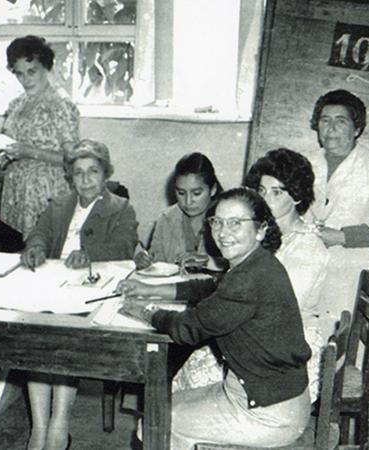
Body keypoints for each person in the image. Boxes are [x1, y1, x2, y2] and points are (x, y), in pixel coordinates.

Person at [118, 187, 311, 449]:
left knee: (160, 418)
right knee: (164, 407)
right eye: (217, 222)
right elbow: (208, 287)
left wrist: (146, 311)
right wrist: (149, 289)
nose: (222, 232)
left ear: (260, 229)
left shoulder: (248, 279)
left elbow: (188, 329)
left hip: (269, 413)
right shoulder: (255, 263)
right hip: (265, 393)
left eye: (235, 223)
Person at [21, 139, 138, 450]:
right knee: (35, 337)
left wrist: (90, 253)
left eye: (93, 172)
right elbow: (40, 233)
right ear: (69, 177)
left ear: (106, 174)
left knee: (61, 342)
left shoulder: (121, 208)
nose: (85, 179)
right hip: (53, 284)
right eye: (78, 173)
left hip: (91, 290)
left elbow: (125, 246)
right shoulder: (58, 205)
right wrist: (35, 247)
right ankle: (39, 426)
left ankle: (59, 423)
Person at [302, 89, 369, 330]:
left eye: (340, 121)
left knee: (340, 338)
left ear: (356, 129)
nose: (330, 127)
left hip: (350, 270)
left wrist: (341, 236)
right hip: (306, 262)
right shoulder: (305, 162)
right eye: (325, 120)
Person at [243, 148, 329, 400]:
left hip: (288, 346)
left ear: (297, 196)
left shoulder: (308, 247)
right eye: (261, 190)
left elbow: (284, 307)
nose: (265, 199)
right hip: (258, 332)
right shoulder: (263, 233)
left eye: (277, 192)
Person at [0, 35, 80, 238]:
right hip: (15, 193)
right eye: (19, 74)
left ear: (46, 67)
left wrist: (29, 152)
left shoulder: (60, 105)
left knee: (41, 251)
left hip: (46, 192)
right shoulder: (17, 104)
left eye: (32, 71)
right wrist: (3, 158)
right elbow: (9, 143)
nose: (25, 79)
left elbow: (73, 158)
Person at [134, 152, 222, 271]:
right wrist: (144, 262)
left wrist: (208, 261)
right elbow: (156, 266)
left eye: (196, 193)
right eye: (181, 193)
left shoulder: (226, 220)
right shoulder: (166, 219)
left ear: (213, 190)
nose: (188, 201)